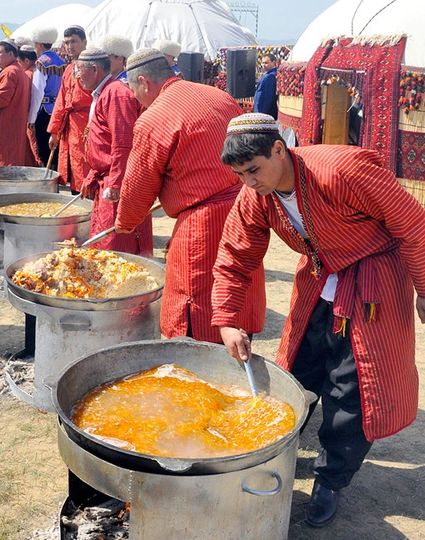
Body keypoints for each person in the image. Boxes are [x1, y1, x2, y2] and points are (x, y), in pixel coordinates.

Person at [211, 112, 425, 527]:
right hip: (318, 280)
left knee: (354, 387)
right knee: (300, 370)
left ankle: (331, 478)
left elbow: (413, 224)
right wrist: (227, 319)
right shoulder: (255, 193)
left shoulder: (342, 170)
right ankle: (279, 453)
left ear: (279, 149)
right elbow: (235, 256)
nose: (249, 182)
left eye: (253, 170)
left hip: (373, 283)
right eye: (239, 174)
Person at [115, 49, 266, 343]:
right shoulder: (219, 96)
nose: (134, 97)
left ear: (144, 82)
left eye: (133, 89)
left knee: (196, 307)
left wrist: (126, 221)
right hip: (246, 211)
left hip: (203, 225)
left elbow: (138, 186)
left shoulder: (154, 117)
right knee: (240, 291)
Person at [77, 49, 152, 256]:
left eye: (79, 70)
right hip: (108, 176)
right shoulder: (106, 92)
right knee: (104, 238)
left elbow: (123, 142)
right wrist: (93, 173)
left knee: (115, 242)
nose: (77, 75)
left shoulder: (116, 94)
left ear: (94, 69)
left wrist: (117, 183)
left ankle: (125, 287)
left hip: (118, 179)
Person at [47, 25, 92, 193]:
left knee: (86, 162)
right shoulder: (68, 69)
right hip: (70, 124)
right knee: (73, 162)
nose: (70, 46)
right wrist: (54, 130)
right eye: (67, 42)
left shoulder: (93, 67)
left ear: (84, 42)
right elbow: (60, 101)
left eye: (74, 41)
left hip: (88, 123)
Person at [0, 39, 31, 166]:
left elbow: (1, 99)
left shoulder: (9, 72)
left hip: (5, 126)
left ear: (10, 54)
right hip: (13, 123)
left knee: (3, 163)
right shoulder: (18, 71)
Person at [31, 26, 66, 168]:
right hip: (57, 109)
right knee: (56, 148)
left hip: (43, 110)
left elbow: (37, 92)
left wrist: (31, 118)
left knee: (43, 150)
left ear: (39, 44)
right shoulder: (62, 62)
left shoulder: (41, 62)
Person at [17, 44, 43, 167]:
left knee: (33, 145)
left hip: (30, 113)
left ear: (26, 60)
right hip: (42, 111)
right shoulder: (38, 70)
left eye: (19, 61)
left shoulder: (28, 74)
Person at [253, 53, 278, 119]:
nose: (264, 65)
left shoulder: (271, 76)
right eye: (262, 63)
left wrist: (264, 114)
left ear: (273, 62)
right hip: (260, 110)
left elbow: (269, 96)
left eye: (266, 63)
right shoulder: (267, 74)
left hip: (264, 112)